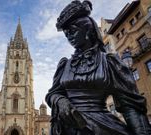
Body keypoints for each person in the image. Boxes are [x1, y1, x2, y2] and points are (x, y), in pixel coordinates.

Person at [45, 0, 151, 135]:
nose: (69, 37)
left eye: (72, 31)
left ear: (87, 30)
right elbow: (53, 93)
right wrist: (60, 100)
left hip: (99, 126)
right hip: (67, 127)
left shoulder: (109, 62)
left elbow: (130, 107)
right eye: (66, 34)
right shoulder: (65, 65)